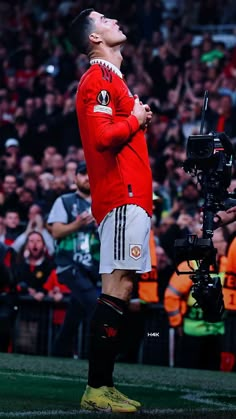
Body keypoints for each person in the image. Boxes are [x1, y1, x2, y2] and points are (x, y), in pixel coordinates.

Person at [69, 8, 153, 413]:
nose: (114, 19)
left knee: (120, 289)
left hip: (127, 195)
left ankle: (102, 385)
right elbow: (103, 138)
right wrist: (135, 119)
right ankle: (96, 388)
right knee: (117, 289)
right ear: (94, 39)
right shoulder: (98, 79)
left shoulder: (111, 79)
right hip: (123, 196)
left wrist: (135, 118)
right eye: (104, 19)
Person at [47, 161, 100, 358]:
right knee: (96, 306)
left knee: (74, 313)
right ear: (75, 178)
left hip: (93, 266)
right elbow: (56, 231)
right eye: (82, 174)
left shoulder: (102, 203)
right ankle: (95, 355)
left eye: (90, 174)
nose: (87, 177)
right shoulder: (65, 201)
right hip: (70, 264)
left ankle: (59, 352)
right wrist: (76, 224)